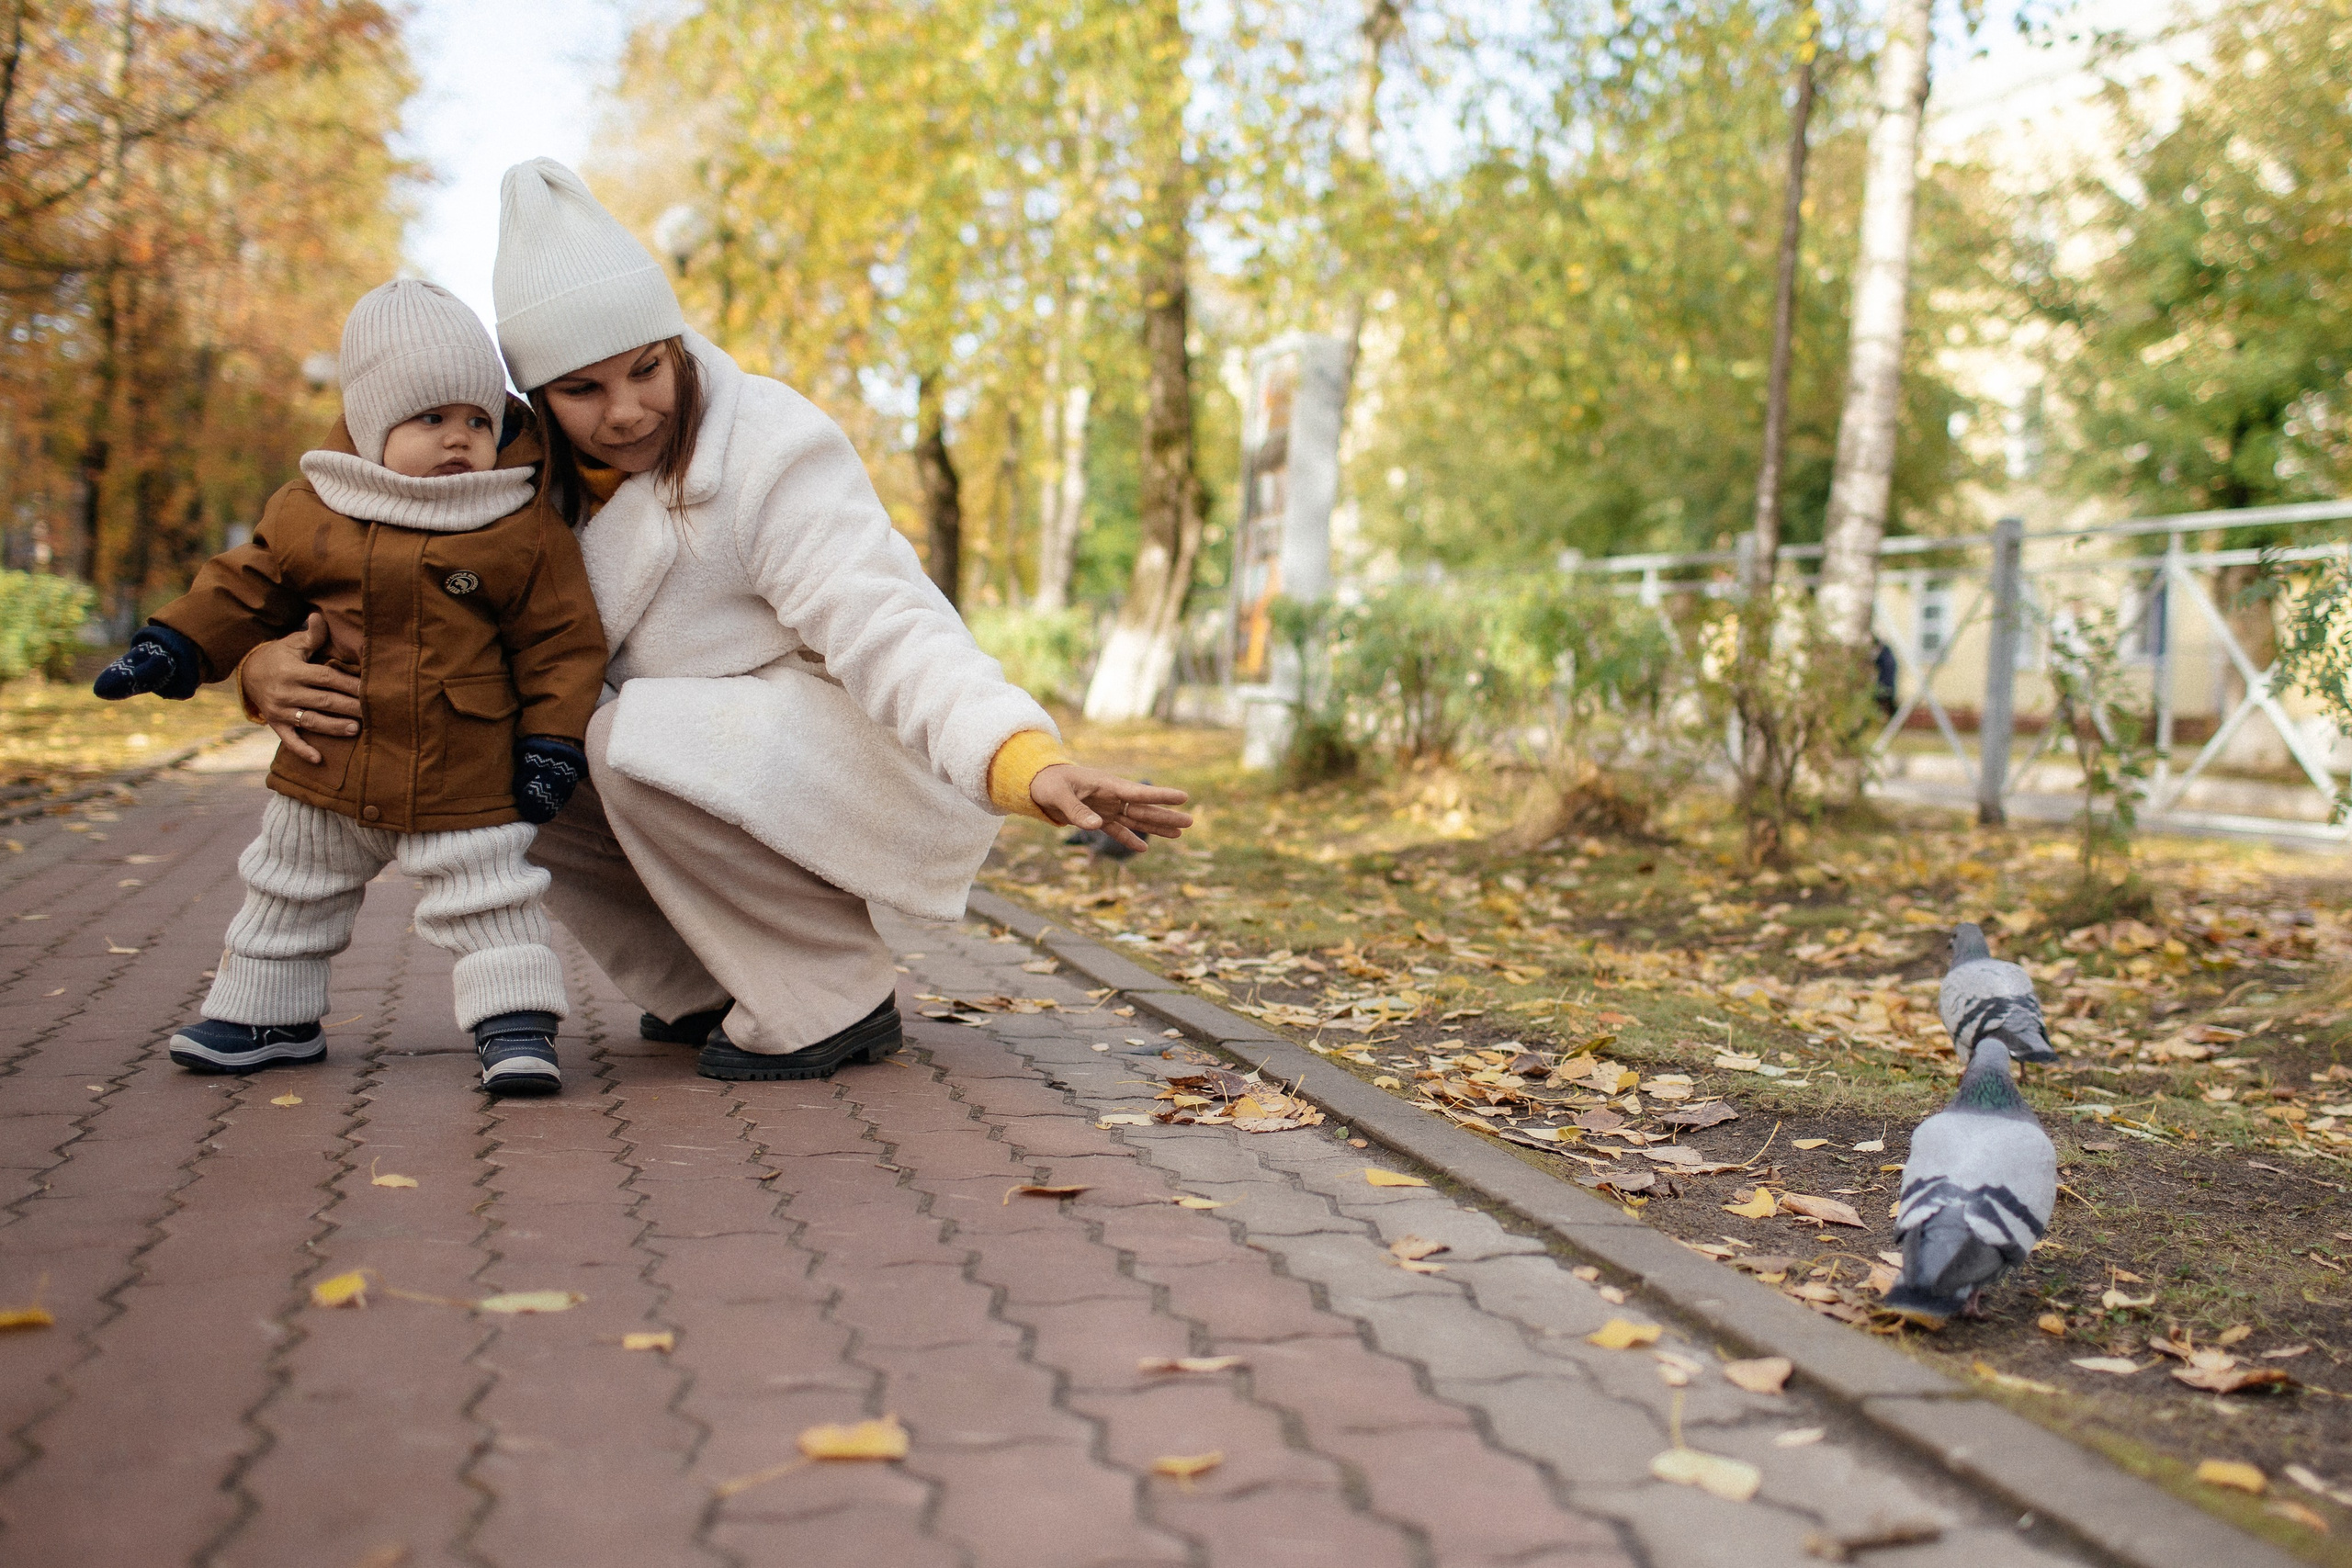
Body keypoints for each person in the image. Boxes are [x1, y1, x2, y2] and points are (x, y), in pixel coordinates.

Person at [240, 159, 1190, 1085]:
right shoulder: (497, 467)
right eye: (581, 390)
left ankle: (828, 992)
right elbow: (337, 542)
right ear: (532, 397)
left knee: (615, 733)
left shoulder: (771, 447)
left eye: (647, 368)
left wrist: (1021, 757)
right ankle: (705, 983)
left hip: (826, 747)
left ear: (675, 342)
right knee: (505, 746)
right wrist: (264, 662)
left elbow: (886, 623)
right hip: (694, 753)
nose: (625, 412)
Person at [95, 279, 607, 1097]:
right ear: (373, 427)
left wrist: (552, 743)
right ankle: (267, 1014)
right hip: (329, 754)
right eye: (430, 419)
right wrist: (175, 645)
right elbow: (247, 585)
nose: (459, 439)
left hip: (461, 762)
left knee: (489, 895)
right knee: (289, 883)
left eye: (478, 419)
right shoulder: (315, 507)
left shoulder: (516, 522)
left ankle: (515, 1023)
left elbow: (561, 643)